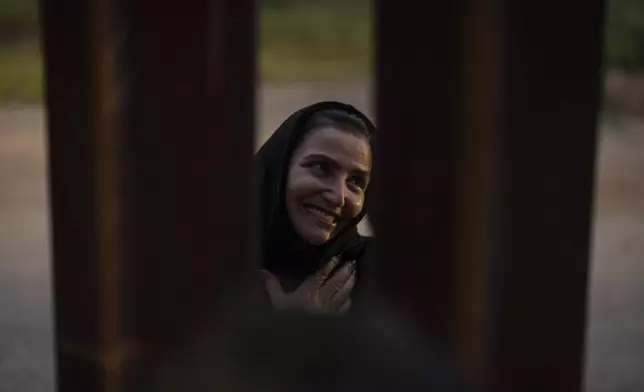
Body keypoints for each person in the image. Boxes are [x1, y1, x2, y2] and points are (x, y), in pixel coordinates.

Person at [255, 101, 376, 314]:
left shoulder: (386, 274)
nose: (339, 197)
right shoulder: (213, 267)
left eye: (356, 182)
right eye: (321, 167)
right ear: (279, 170)